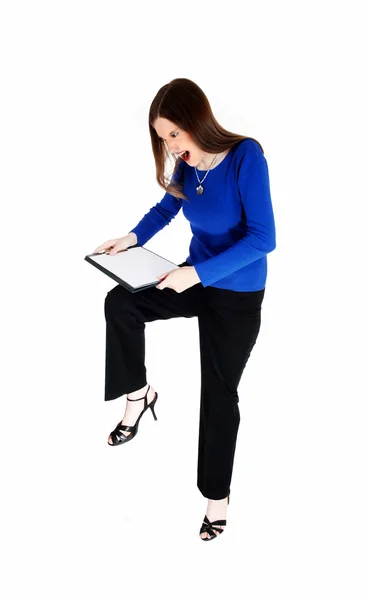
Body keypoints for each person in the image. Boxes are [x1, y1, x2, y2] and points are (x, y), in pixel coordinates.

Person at [93, 78, 276, 541]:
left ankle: (217, 498)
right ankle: (139, 394)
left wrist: (194, 274)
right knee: (122, 302)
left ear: (196, 120)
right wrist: (131, 238)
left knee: (219, 395)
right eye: (163, 138)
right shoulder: (187, 167)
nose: (171, 146)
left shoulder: (245, 156)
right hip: (193, 279)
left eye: (174, 134)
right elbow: (165, 209)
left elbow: (264, 238)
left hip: (235, 296)